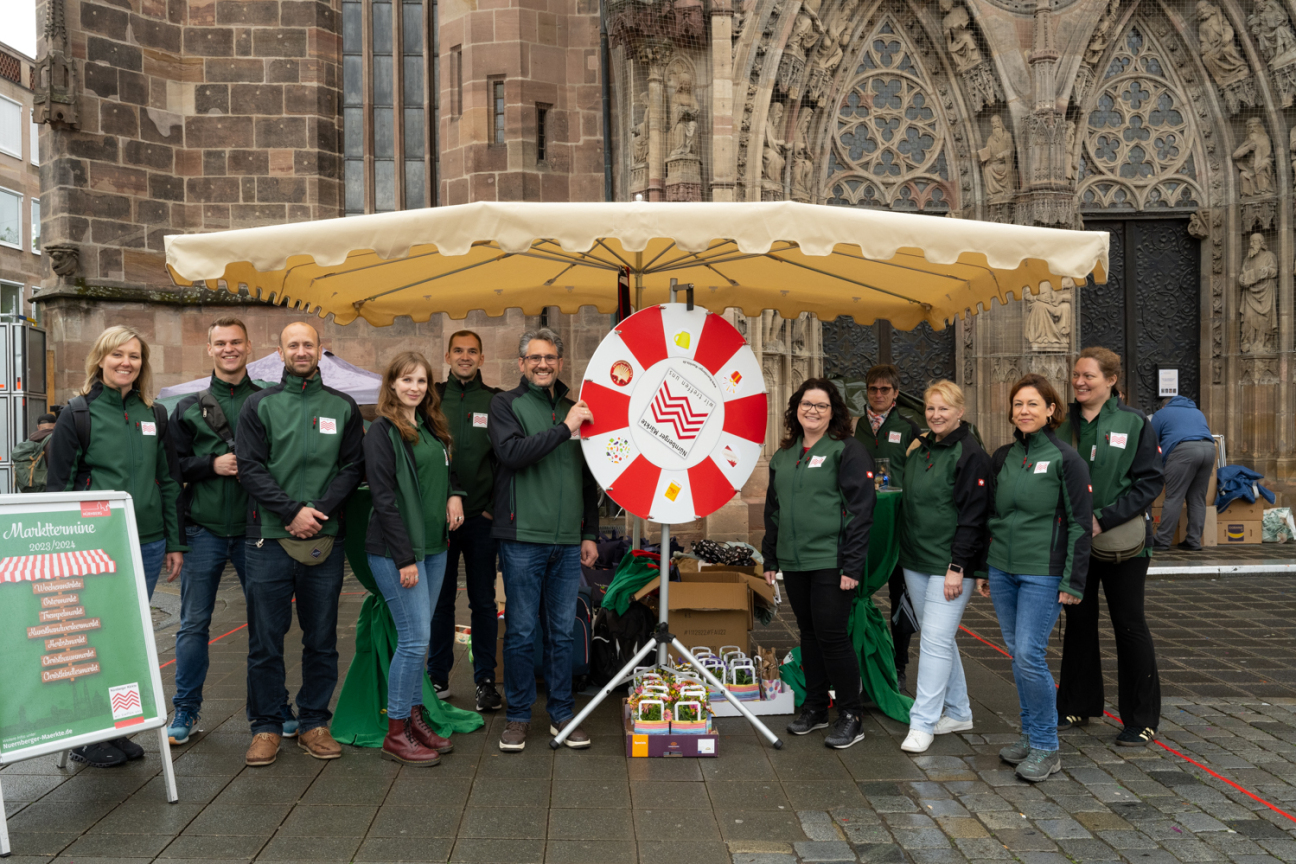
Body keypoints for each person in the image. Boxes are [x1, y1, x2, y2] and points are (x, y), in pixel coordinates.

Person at [46, 325, 186, 769]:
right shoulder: (78, 414)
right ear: (100, 358)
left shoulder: (154, 415)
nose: (127, 362)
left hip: (146, 545)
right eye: (118, 354)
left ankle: (119, 727)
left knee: (129, 639)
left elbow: (166, 481)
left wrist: (174, 541)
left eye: (135, 356)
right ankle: (89, 735)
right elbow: (60, 489)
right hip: (97, 548)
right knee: (96, 639)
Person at [236, 322, 364, 767]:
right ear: (280, 352)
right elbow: (250, 468)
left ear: (321, 350)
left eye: (309, 344)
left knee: (322, 638)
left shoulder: (343, 406)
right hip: (268, 539)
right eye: (293, 344)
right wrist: (291, 511)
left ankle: (313, 721)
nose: (302, 350)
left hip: (324, 539)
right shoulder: (259, 405)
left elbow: (352, 467)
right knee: (265, 640)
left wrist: (319, 511)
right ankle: (267, 726)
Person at [166, 318, 299, 745]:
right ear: (209, 349)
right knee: (193, 625)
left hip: (257, 529)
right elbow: (170, 469)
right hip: (203, 529)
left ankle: (275, 704)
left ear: (249, 346)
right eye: (220, 343)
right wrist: (211, 465)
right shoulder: (187, 407)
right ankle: (185, 708)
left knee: (267, 624)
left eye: (235, 342)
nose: (228, 349)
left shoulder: (269, 400)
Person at [489, 327, 599, 752]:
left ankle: (562, 713)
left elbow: (587, 479)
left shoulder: (575, 409)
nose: (542, 364)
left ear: (559, 362)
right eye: (534, 358)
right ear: (521, 364)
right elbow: (512, 454)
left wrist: (588, 532)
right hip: (522, 537)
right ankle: (518, 716)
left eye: (550, 358)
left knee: (561, 632)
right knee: (519, 631)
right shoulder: (506, 405)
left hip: (568, 541)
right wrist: (564, 428)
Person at [984, 374, 1090, 782]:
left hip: (1043, 573)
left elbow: (1080, 524)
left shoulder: (1067, 460)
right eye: (1018, 404)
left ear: (1051, 410)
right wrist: (984, 567)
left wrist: (1073, 581)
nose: (1024, 411)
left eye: (1033, 404)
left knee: (1030, 655)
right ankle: (1030, 736)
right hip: (1002, 568)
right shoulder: (1003, 457)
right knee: (1019, 655)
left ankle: (1047, 747)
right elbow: (991, 515)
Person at [1055, 348, 1163, 747]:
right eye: (1076, 376)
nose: (1080, 383)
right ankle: (1077, 703)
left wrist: (1104, 517)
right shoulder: (1061, 422)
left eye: (1089, 377)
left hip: (1124, 543)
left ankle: (1141, 717)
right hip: (1074, 540)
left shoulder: (1134, 422)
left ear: (1111, 380)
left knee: (1129, 624)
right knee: (1078, 621)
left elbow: (1150, 482)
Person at [365, 352, 465, 765]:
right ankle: (396, 732)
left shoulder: (430, 426)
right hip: (398, 553)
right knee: (413, 640)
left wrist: (454, 493)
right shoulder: (382, 431)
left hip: (435, 548)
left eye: (422, 381)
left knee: (417, 641)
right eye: (407, 380)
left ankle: (416, 717)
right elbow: (384, 500)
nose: (415, 388)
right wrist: (405, 558)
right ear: (391, 384)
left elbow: (442, 473)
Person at [764, 378, 875, 749]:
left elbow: (861, 512)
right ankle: (814, 706)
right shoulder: (783, 456)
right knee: (808, 635)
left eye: (821, 405)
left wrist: (852, 567)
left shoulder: (847, 450)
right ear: (796, 409)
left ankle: (851, 715)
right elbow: (773, 511)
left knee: (832, 636)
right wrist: (770, 557)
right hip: (794, 561)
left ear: (834, 412)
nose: (813, 411)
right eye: (806, 404)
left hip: (831, 559)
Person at [897, 381, 991, 754]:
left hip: (949, 565)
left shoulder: (971, 454)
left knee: (934, 641)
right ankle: (959, 711)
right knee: (939, 639)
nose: (936, 415)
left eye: (944, 409)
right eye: (931, 408)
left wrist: (958, 566)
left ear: (960, 411)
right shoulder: (920, 448)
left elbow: (974, 516)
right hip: (915, 559)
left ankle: (922, 722)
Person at [426, 330, 503, 711]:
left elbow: (504, 460)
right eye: (459, 350)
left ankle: (485, 679)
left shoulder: (494, 401)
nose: (465, 356)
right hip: (438, 518)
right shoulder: (431, 397)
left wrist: (490, 506)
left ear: (482, 358)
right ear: (447, 355)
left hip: (480, 520)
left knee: (484, 601)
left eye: (473, 351)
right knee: (439, 601)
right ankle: (437, 676)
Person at [852, 363, 920, 691]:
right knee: (855, 591)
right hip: (863, 525)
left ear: (895, 394)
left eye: (885, 390)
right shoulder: (855, 428)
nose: (878, 395)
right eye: (872, 389)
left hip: (898, 528)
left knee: (900, 595)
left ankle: (900, 664)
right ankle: (858, 659)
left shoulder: (909, 429)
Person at [1151, 395, 1216, 551]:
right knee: (1197, 498)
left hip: (1183, 451)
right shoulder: (1197, 412)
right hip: (1209, 450)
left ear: (1163, 407)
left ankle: (1162, 540)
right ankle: (1194, 540)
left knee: (1174, 497)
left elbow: (1151, 441)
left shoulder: (1161, 414)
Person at [11, 412, 57, 492]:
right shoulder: (55, 440)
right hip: (50, 487)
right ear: (56, 424)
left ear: (38, 427)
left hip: (33, 488)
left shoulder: (30, 440)